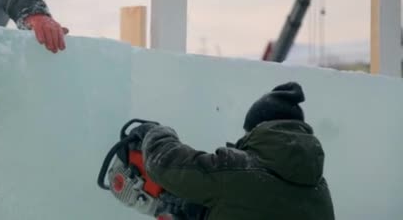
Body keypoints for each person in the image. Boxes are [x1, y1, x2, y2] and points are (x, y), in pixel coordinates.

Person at [130, 82, 335, 220]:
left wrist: (156, 133)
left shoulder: (236, 170)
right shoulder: (318, 189)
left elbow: (165, 163)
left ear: (258, 130)